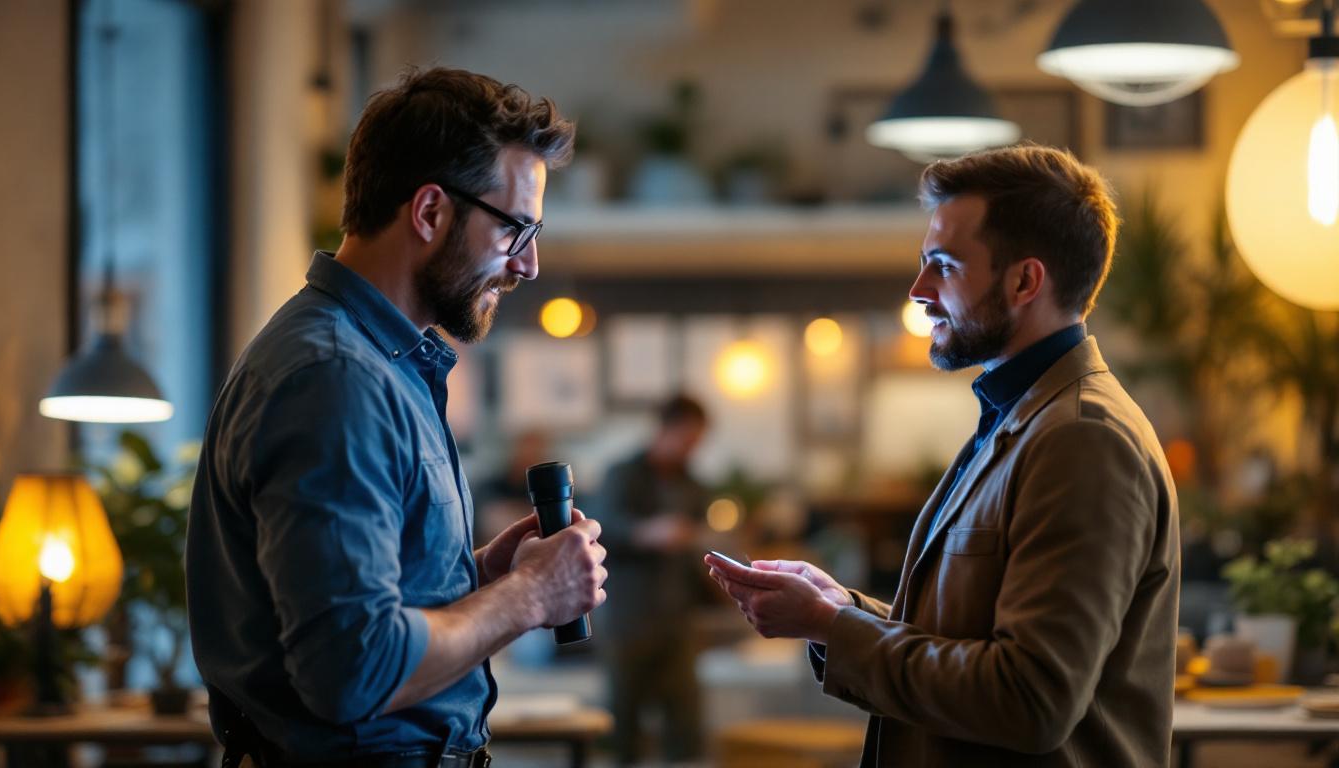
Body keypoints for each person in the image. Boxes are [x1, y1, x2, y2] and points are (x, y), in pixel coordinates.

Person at [186, 67, 607, 768]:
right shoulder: (336, 379)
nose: (528, 264)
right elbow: (354, 670)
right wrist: (531, 596)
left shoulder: (380, 363)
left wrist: (487, 579)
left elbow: (363, 611)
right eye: (516, 228)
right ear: (431, 212)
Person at [706, 145, 1180, 767]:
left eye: (944, 266)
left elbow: (1030, 698)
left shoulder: (1083, 439)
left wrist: (831, 627)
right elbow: (971, 639)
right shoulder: (1024, 418)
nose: (918, 290)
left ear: (1024, 281)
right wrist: (842, 608)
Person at [597, 394, 711, 766]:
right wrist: (647, 532)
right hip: (628, 618)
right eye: (688, 438)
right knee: (624, 725)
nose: (692, 448)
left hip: (676, 617)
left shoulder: (693, 485)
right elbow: (601, 529)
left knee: (685, 725)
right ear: (666, 429)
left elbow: (696, 544)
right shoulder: (622, 474)